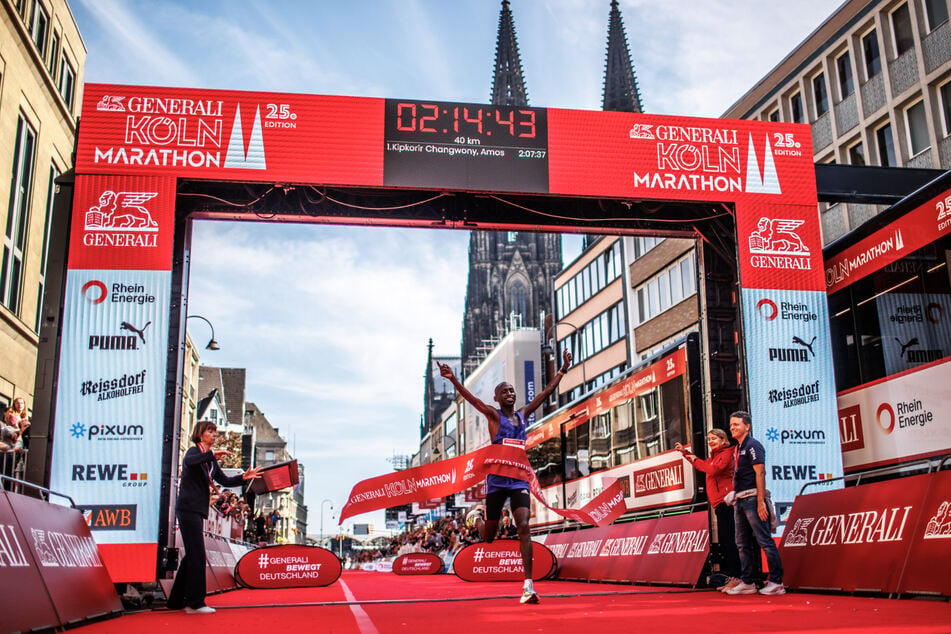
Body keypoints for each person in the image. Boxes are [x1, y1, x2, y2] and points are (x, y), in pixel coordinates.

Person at [438, 348, 572, 604]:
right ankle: (476, 517)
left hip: (519, 479)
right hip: (497, 481)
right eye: (505, 391)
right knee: (489, 537)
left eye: (512, 390)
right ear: (497, 398)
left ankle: (528, 586)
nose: (510, 393)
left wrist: (563, 369)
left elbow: (545, 394)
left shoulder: (523, 415)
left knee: (523, 525)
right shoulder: (493, 415)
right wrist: (453, 379)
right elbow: (472, 400)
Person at [166, 421, 261, 614]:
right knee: (198, 555)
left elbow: (224, 480)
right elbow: (191, 462)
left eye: (215, 432)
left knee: (192, 555)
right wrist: (210, 455)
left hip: (196, 509)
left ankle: (175, 601)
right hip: (187, 508)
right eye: (210, 432)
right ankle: (195, 603)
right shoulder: (194, 452)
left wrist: (243, 477)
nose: (214, 435)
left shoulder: (210, 461)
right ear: (200, 434)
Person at [723, 411, 785, 596]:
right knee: (742, 543)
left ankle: (776, 581)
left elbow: (760, 473)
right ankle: (748, 581)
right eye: (731, 425)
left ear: (747, 426)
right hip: (740, 500)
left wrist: (760, 502)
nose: (732, 427)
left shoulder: (753, 445)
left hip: (752, 499)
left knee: (764, 540)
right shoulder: (738, 448)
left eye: (736, 424)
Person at [675, 428, 740, 591]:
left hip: (726, 502)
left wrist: (692, 457)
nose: (710, 441)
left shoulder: (725, 454)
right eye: (709, 438)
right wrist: (686, 453)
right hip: (719, 503)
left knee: (731, 541)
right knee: (727, 541)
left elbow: (712, 469)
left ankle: (738, 577)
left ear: (723, 440)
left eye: (714, 439)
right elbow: (706, 467)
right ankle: (734, 577)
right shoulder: (715, 456)